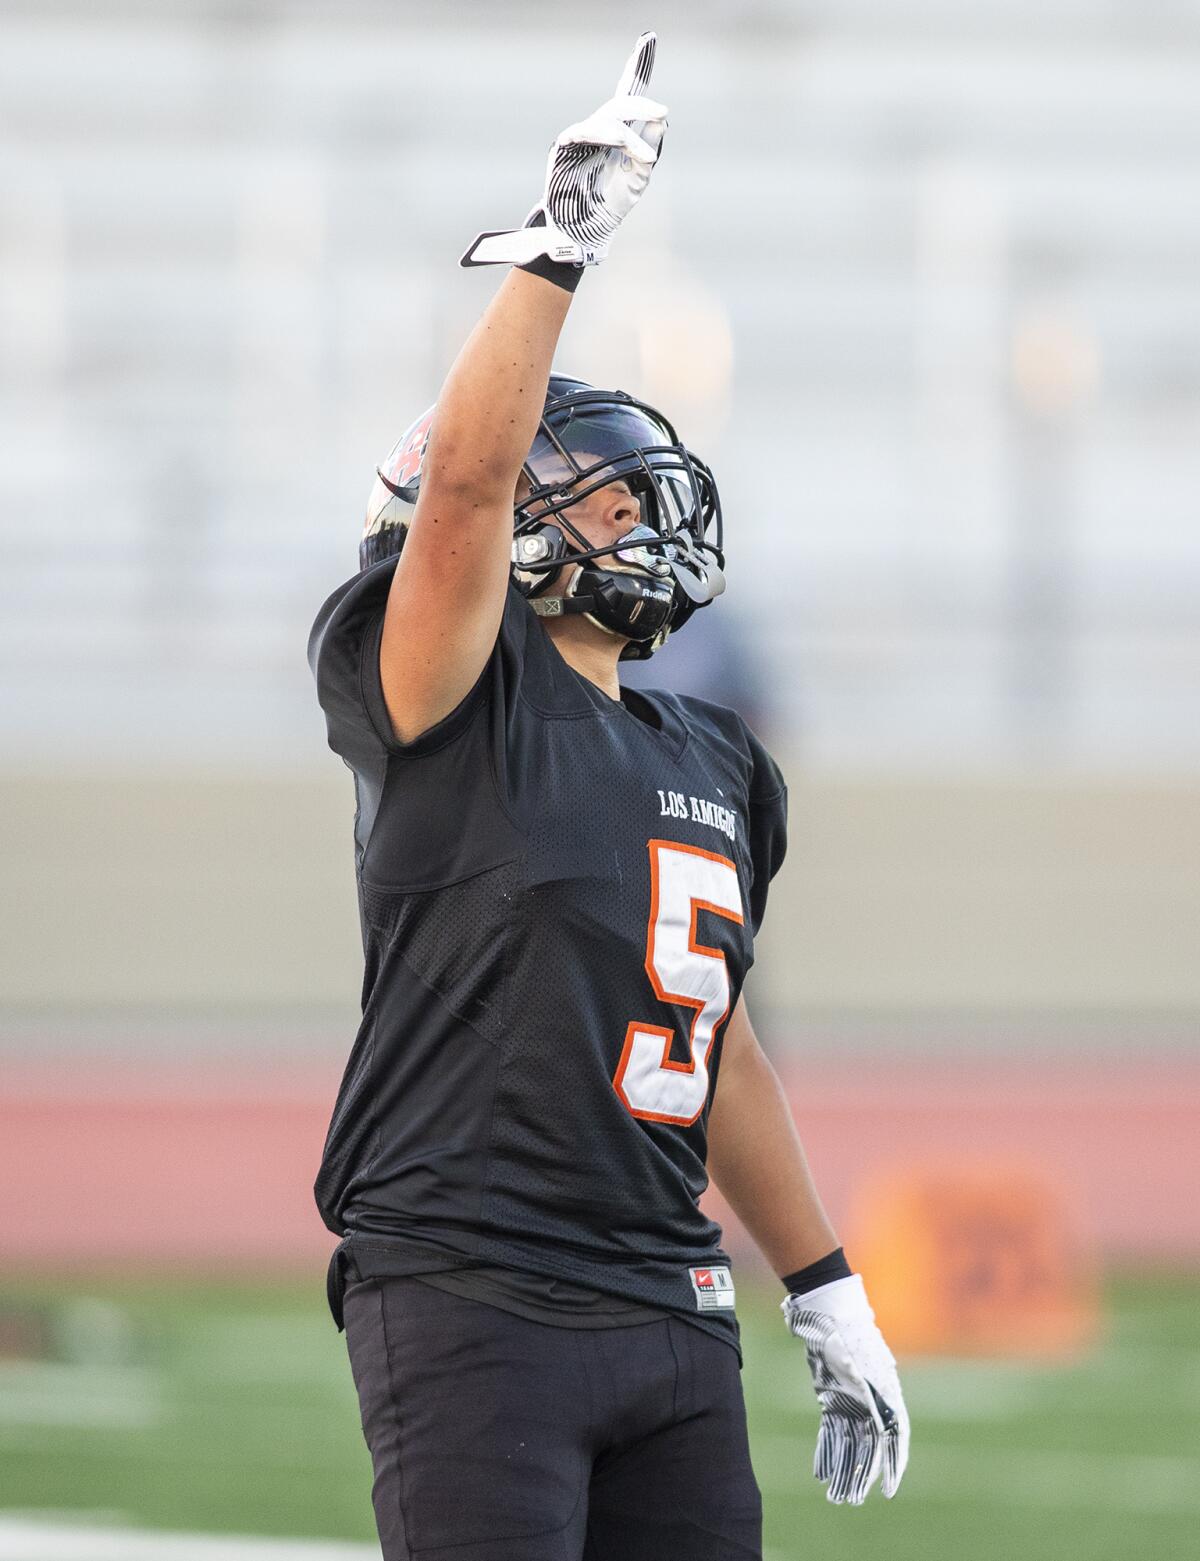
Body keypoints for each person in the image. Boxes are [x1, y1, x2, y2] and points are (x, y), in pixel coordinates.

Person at [308, 33, 908, 1561]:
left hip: (669, 1299)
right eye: (595, 484)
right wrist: (558, 247)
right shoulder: (448, 702)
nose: (637, 506)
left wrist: (823, 1280)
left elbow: (722, 1047)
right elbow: (458, 488)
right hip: (473, 1290)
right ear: (513, 525)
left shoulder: (714, 758)